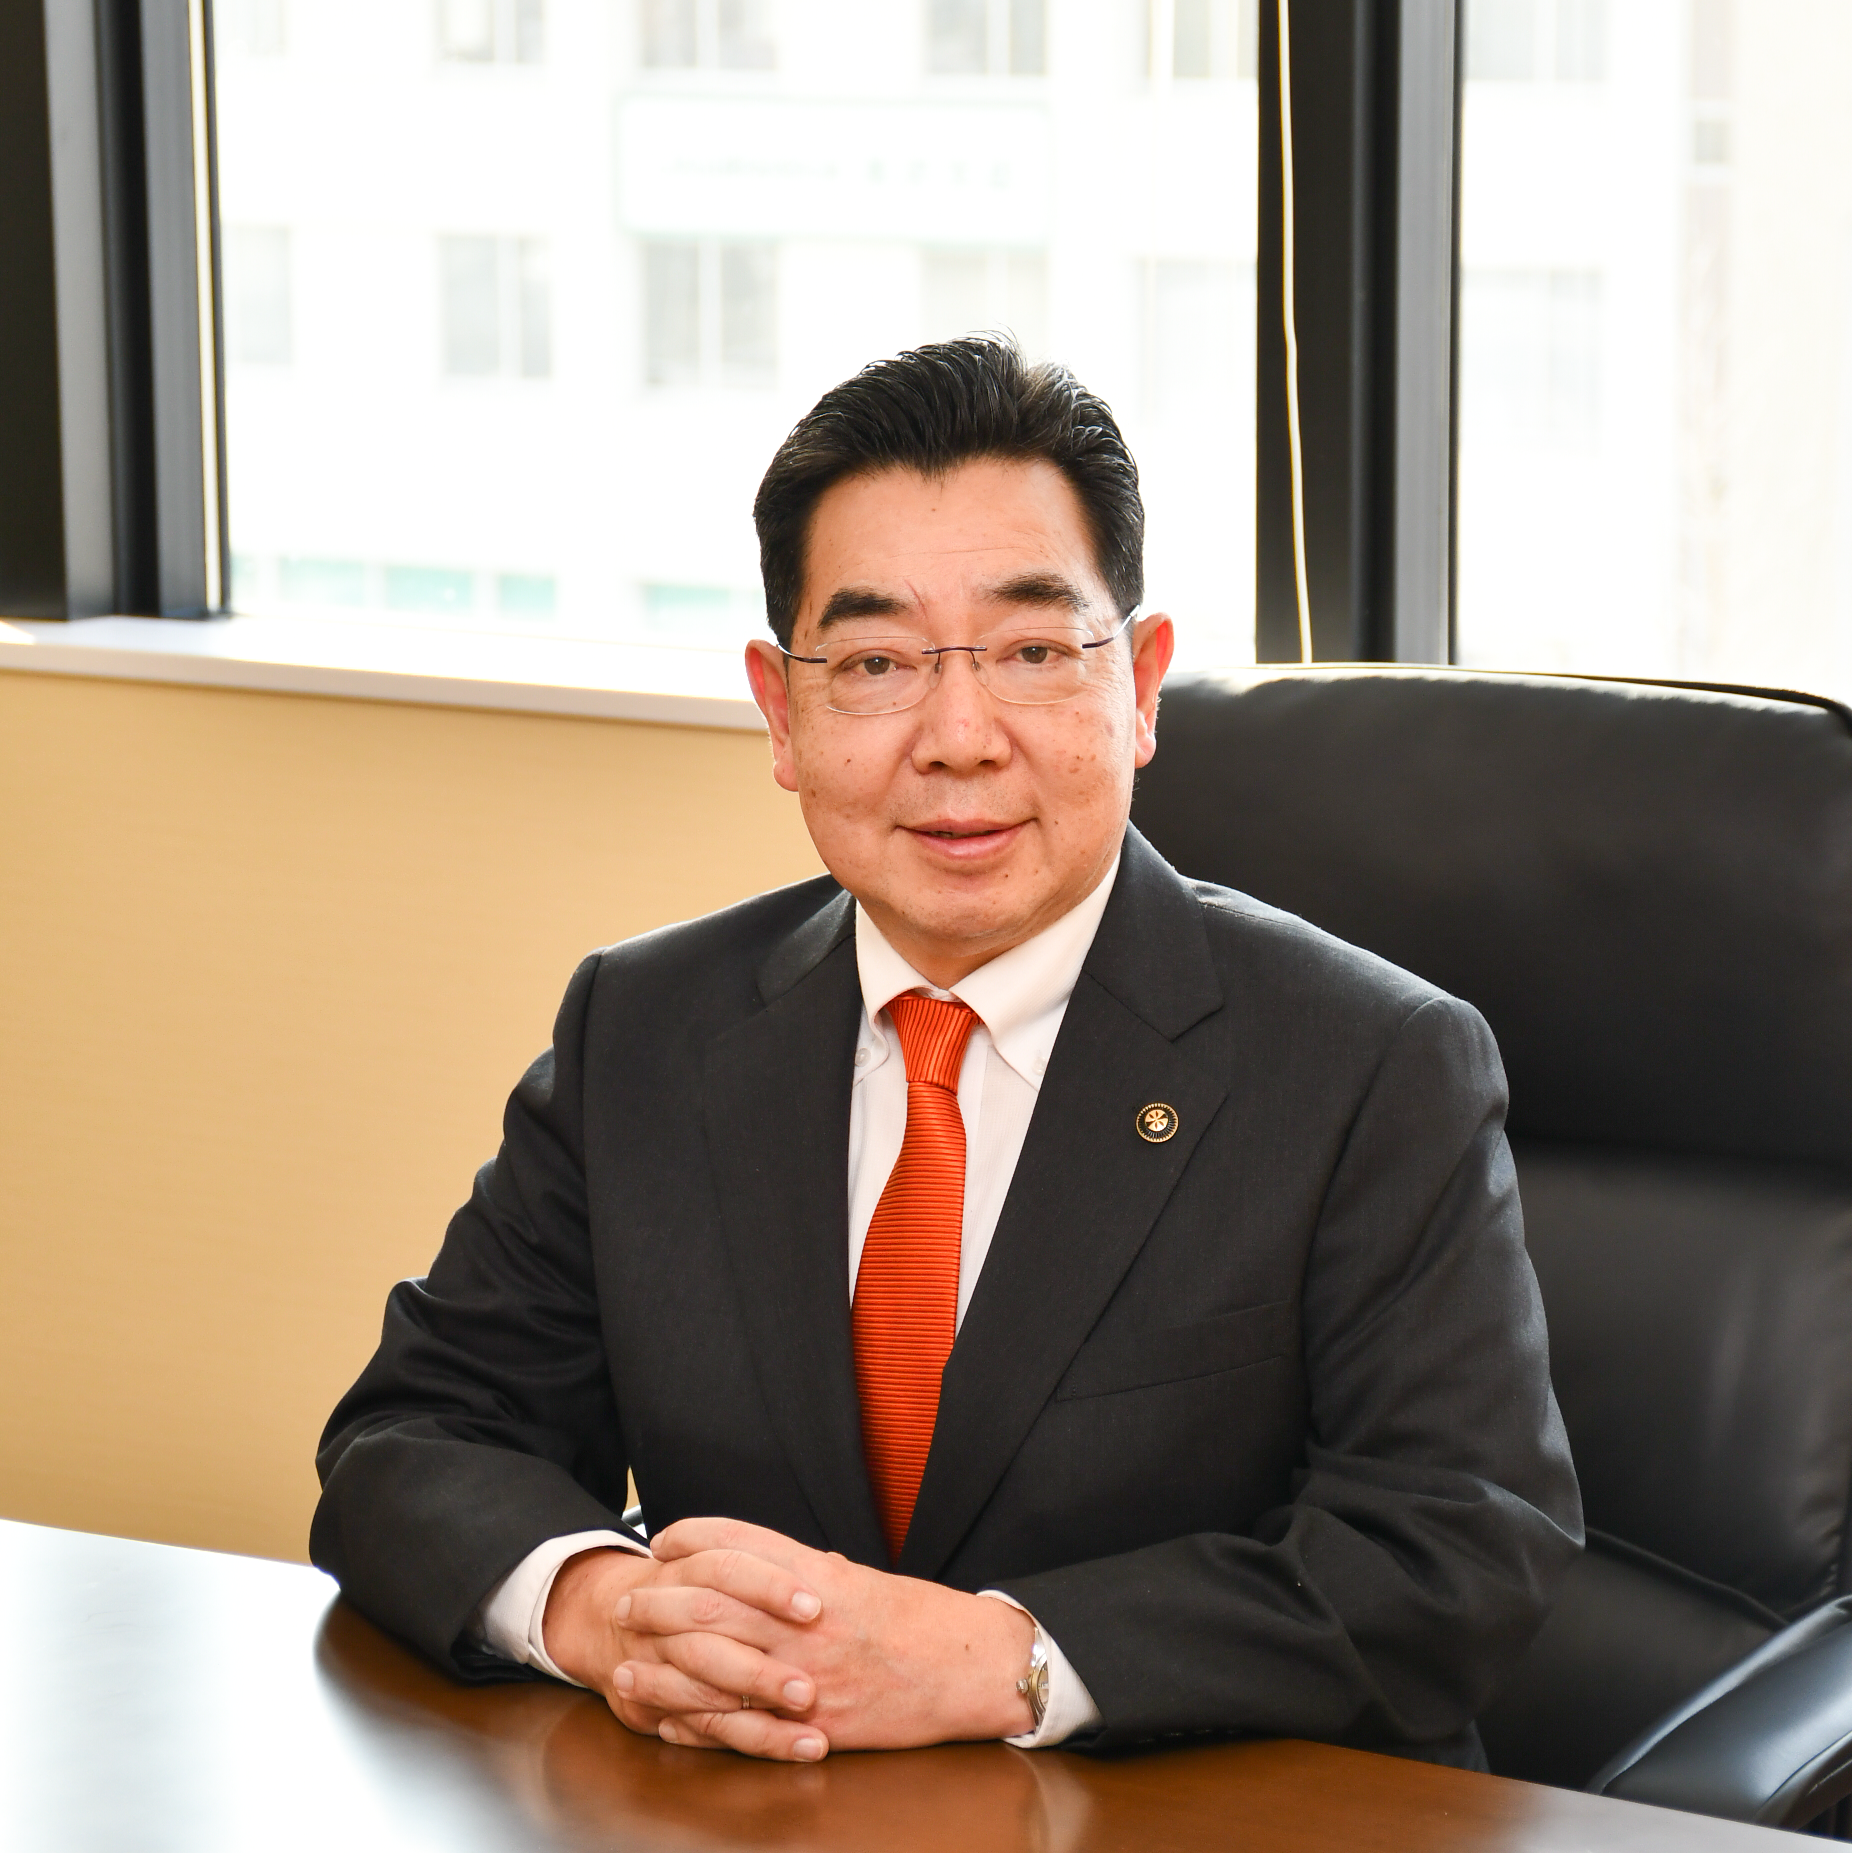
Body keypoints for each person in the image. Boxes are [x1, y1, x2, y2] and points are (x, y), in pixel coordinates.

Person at [312, 335, 1581, 1769]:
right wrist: (609, 1613)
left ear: (1140, 684)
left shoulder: (1369, 1065)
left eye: (1032, 653)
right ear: (781, 712)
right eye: (875, 664)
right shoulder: (648, 1029)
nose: (958, 738)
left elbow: (1456, 1551)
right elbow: (413, 1439)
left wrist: (1002, 1663)